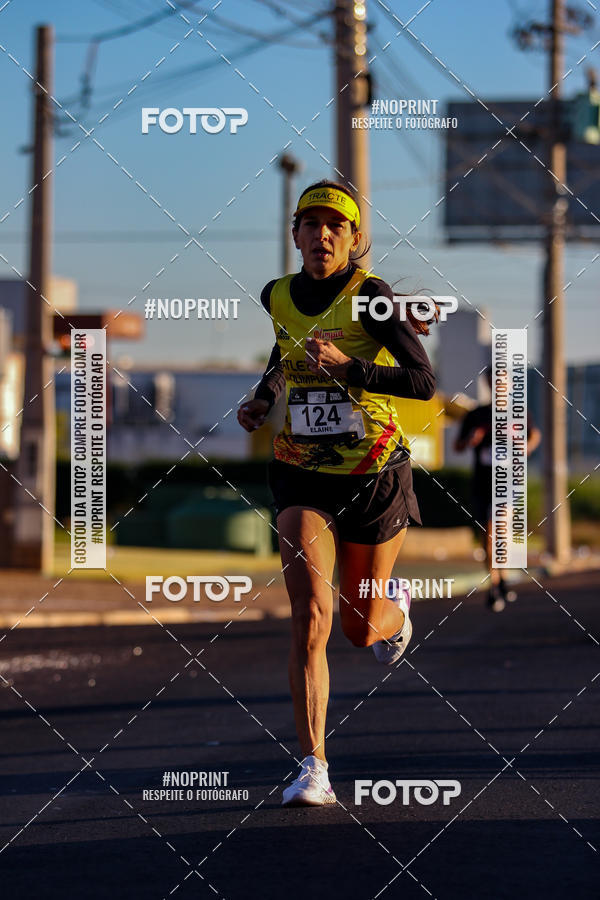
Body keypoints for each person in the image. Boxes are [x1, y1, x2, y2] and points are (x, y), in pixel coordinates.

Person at [237, 180, 436, 807]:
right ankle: (313, 765)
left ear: (353, 240)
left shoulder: (370, 297)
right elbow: (283, 352)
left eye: (336, 226)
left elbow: (424, 381)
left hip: (374, 472)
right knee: (310, 616)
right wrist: (264, 396)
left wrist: (349, 370)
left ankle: (393, 611)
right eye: (311, 224)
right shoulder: (276, 296)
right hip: (301, 472)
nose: (322, 235)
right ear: (294, 234)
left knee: (358, 627)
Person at [454, 367, 541, 612]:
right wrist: (471, 439)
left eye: (503, 382)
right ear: (489, 385)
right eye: (494, 382)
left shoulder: (519, 414)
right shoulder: (477, 414)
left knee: (498, 530)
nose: (499, 387)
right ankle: (498, 580)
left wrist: (526, 446)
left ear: (510, 385)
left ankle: (496, 583)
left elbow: (535, 435)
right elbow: (458, 446)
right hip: (483, 481)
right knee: (487, 534)